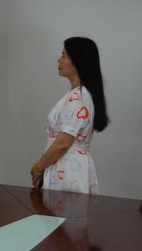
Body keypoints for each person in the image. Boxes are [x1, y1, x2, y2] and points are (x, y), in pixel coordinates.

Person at [30, 37, 109, 194]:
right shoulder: (75, 94)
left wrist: (38, 168)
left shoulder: (78, 98)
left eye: (64, 55)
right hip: (62, 165)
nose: (59, 60)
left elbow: (63, 143)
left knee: (64, 209)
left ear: (78, 61)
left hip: (68, 169)